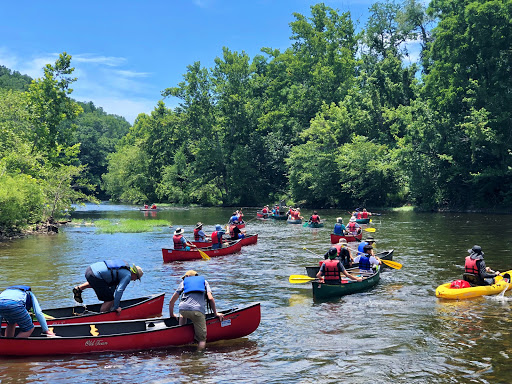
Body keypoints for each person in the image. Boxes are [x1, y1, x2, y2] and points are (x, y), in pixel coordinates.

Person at [168, 270, 224, 350]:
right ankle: (198, 358)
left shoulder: (183, 283)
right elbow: (210, 298)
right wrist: (215, 313)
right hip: (197, 311)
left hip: (182, 309)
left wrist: (171, 315)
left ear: (187, 277)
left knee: (183, 313)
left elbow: (171, 301)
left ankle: (181, 331)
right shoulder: (204, 282)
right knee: (202, 340)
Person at [72, 260, 143, 313]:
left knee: (103, 286)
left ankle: (79, 288)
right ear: (134, 274)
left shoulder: (122, 269)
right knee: (109, 300)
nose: (134, 280)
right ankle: (102, 318)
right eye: (136, 278)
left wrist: (111, 300)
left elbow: (112, 287)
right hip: (96, 276)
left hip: (90, 270)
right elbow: (119, 291)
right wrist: (116, 307)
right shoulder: (127, 276)